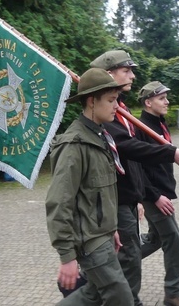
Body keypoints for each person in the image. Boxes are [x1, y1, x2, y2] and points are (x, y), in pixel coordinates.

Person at [90, 50, 179, 306]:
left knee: (135, 251)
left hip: (132, 195)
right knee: (140, 253)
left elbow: (132, 160)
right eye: (126, 70)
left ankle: (97, 281)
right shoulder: (110, 112)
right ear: (109, 74)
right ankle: (168, 292)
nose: (133, 75)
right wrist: (170, 159)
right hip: (122, 195)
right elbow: (130, 149)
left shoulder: (122, 109)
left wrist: (139, 197)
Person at [45, 68, 133, 305]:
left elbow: (101, 193)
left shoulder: (99, 137)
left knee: (91, 296)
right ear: (92, 101)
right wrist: (67, 257)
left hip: (102, 237)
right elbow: (59, 202)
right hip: (90, 245)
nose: (117, 106)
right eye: (111, 100)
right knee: (122, 298)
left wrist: (111, 228)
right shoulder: (74, 145)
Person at [134, 81, 179, 306]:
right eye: (162, 98)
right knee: (174, 239)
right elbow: (137, 169)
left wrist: (178, 160)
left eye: (166, 97)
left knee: (156, 239)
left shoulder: (159, 124)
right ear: (148, 102)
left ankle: (110, 263)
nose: (167, 102)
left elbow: (159, 157)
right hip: (153, 195)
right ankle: (173, 292)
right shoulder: (140, 127)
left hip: (161, 192)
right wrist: (154, 196)